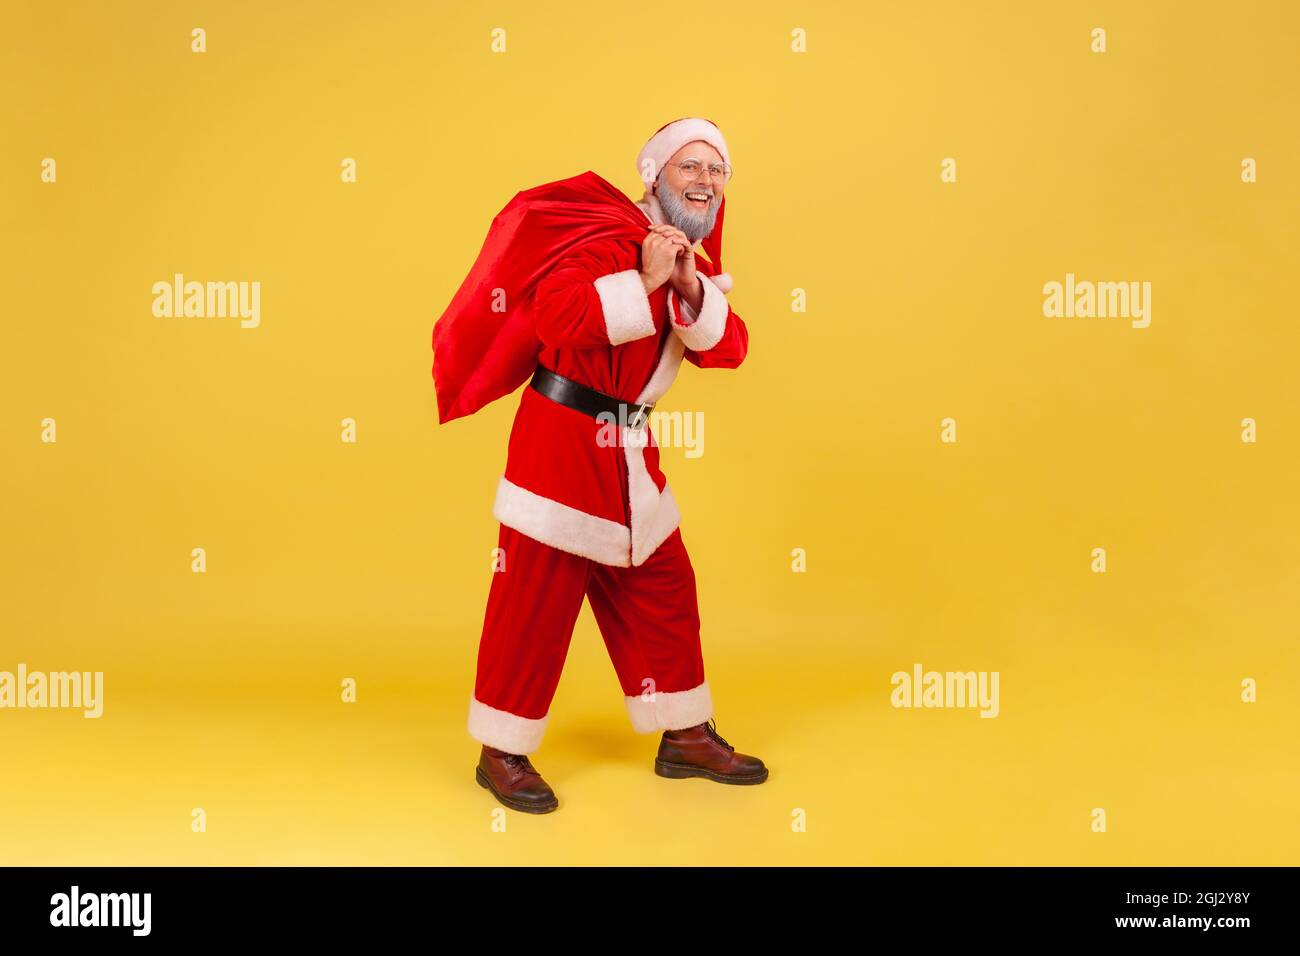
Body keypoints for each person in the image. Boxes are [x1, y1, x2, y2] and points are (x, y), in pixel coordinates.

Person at [441, 118, 767, 814]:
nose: (705, 182)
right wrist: (642, 277)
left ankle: (683, 734)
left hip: (628, 454)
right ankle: (501, 749)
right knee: (533, 602)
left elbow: (728, 347)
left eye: (717, 171)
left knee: (665, 587)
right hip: (558, 447)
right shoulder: (595, 236)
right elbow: (558, 319)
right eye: (691, 167)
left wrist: (685, 284)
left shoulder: (691, 261)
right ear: (655, 174)